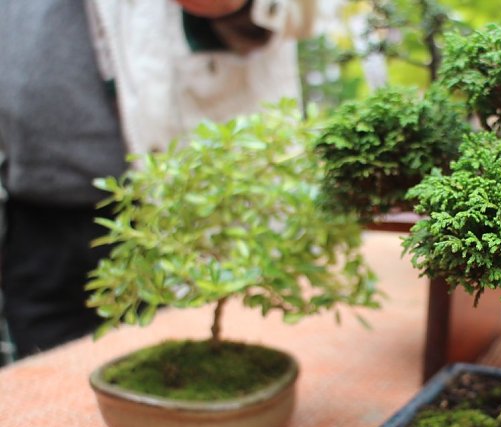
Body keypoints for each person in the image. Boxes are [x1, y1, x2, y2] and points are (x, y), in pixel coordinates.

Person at [0, 0, 315, 361]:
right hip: (34, 215)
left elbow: (296, 13)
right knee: (44, 388)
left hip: (164, 209)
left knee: (194, 371)